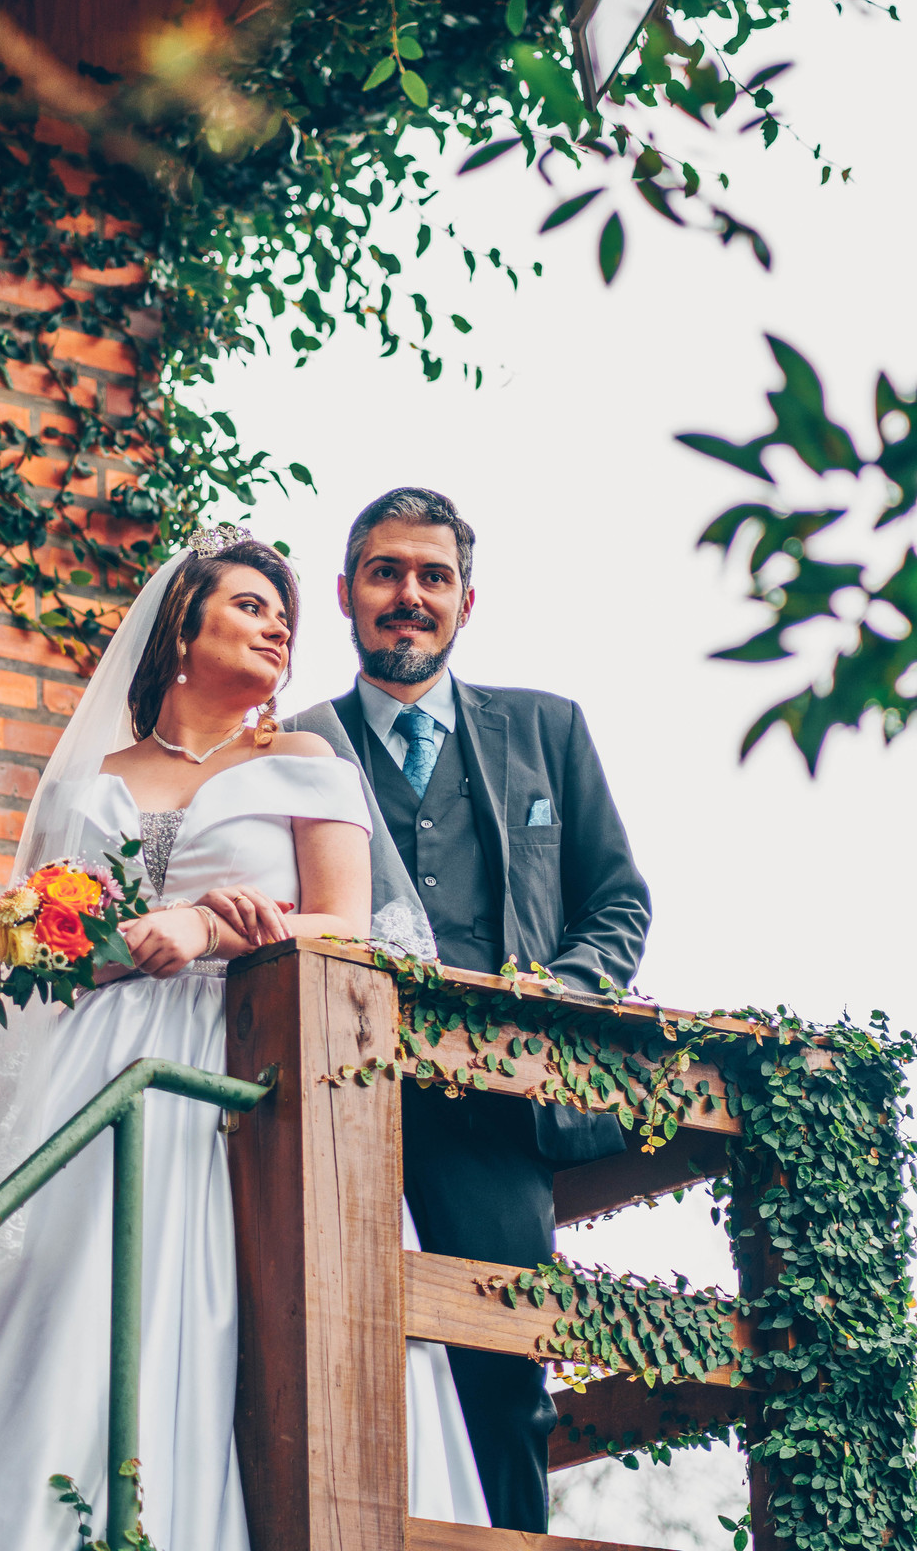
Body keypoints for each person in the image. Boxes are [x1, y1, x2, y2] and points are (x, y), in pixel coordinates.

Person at [0, 526, 486, 1551]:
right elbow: (19, 939)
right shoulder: (87, 779)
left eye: (286, 616)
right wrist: (96, 942)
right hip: (91, 1069)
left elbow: (349, 928)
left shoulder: (306, 763)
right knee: (59, 1313)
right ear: (182, 629)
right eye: (249, 606)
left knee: (234, 1310)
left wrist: (199, 929)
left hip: (241, 1061)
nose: (277, 628)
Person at [289, 487, 651, 1535]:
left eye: (432, 577)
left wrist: (555, 1000)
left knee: (503, 1377)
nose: (410, 596)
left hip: (500, 1115)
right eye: (388, 573)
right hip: (340, 1098)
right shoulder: (298, 746)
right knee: (332, 1360)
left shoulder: (546, 729)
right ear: (350, 593)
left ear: (466, 600)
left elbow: (619, 903)